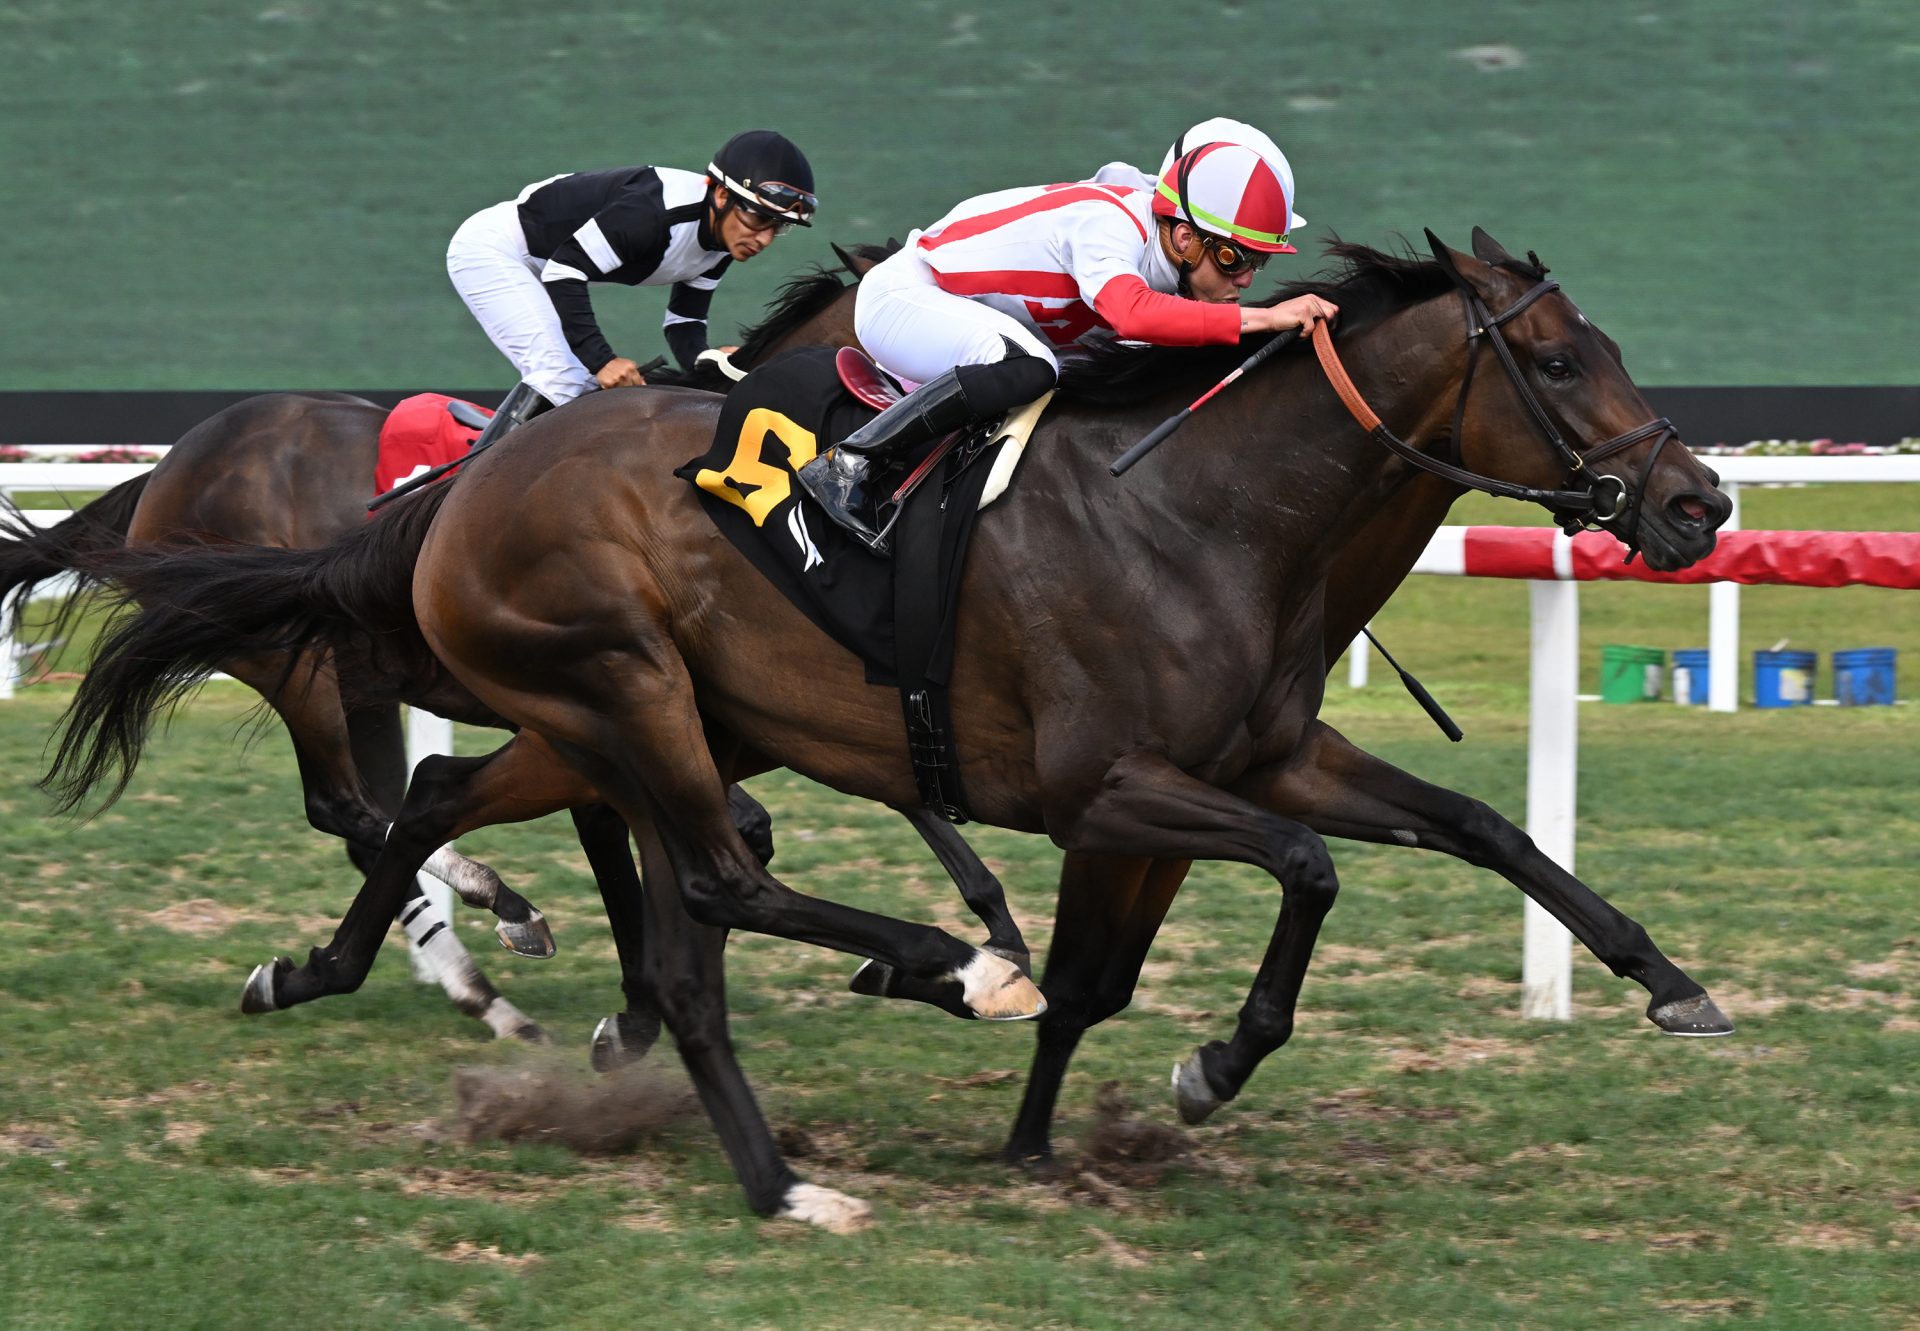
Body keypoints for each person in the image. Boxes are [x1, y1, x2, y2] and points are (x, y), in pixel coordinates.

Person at [796, 123, 1337, 548]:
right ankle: (848, 465)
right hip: (905, 299)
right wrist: (1267, 317)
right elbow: (1132, 315)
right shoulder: (1108, 222)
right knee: (1033, 366)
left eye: (1257, 264)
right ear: (1184, 236)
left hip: (962, 320)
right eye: (1232, 257)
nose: (1244, 279)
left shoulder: (1165, 263)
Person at [445, 130, 817, 453]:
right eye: (758, 218)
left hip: (547, 263)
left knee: (582, 386)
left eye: (778, 227)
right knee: (563, 376)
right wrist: (602, 359)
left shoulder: (722, 241)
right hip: (495, 250)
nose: (764, 238)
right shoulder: (651, 213)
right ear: (721, 195)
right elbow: (564, 272)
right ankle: (455, 493)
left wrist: (714, 363)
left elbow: (684, 324)